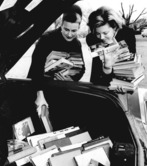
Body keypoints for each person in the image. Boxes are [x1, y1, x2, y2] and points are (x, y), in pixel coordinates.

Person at [28, 4, 85, 116]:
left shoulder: (77, 44)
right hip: (40, 90)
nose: (69, 34)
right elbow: (36, 68)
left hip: (62, 91)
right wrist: (40, 95)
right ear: (61, 24)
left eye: (74, 31)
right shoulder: (46, 39)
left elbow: (81, 69)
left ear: (79, 26)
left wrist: (69, 76)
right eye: (66, 29)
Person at [86, 6, 136, 86]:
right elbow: (97, 66)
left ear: (115, 27)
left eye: (105, 33)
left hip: (123, 78)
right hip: (101, 77)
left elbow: (131, 63)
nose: (101, 37)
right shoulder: (91, 38)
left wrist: (124, 83)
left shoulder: (128, 34)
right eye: (98, 33)